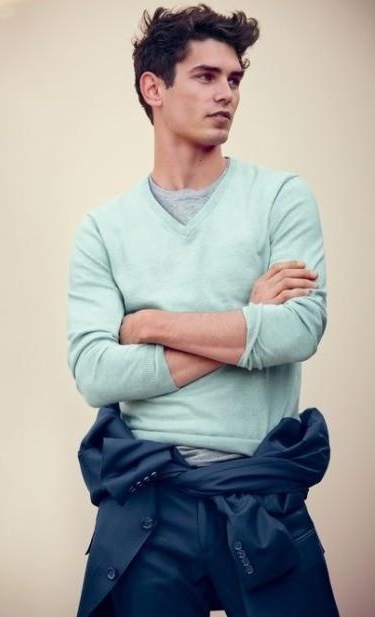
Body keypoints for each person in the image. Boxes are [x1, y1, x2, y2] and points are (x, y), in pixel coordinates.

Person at [66, 5, 340, 616]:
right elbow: (95, 374)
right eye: (206, 76)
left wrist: (149, 325)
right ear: (154, 87)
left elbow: (298, 330)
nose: (227, 94)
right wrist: (248, 319)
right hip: (150, 503)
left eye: (234, 79)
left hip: (262, 497)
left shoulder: (280, 197)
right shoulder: (103, 229)